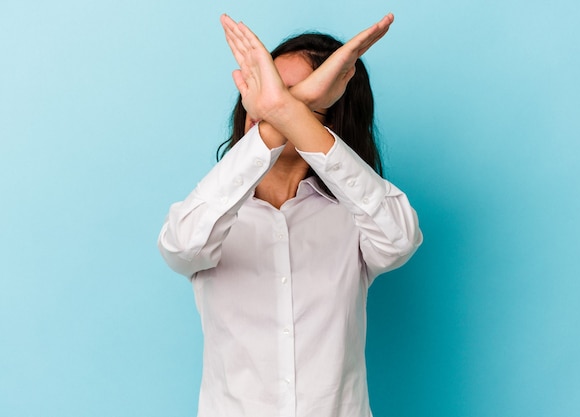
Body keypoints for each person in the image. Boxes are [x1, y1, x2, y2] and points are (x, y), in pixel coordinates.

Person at [158, 12, 423, 417]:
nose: (271, 106)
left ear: (333, 112)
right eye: (266, 92)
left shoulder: (354, 216)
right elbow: (180, 246)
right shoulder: (216, 211)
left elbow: (400, 239)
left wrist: (287, 115)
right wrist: (280, 120)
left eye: (294, 97)